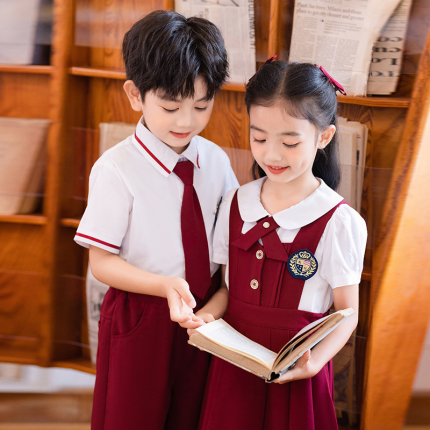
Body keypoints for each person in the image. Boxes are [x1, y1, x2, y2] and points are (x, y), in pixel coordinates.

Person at [74, 10, 238, 430]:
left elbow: (228, 243)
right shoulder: (116, 168)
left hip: (206, 313)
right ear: (135, 95)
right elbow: (102, 263)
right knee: (132, 417)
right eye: (170, 106)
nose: (187, 121)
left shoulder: (215, 161)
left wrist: (215, 306)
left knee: (196, 413)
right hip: (141, 314)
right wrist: (163, 286)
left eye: (202, 105)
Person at [182, 60, 367, 430]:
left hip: (297, 367)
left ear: (324, 137)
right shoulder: (237, 203)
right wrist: (207, 316)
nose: (272, 155)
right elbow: (227, 292)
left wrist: (314, 362)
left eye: (290, 141)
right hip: (234, 361)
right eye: (259, 138)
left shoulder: (338, 221)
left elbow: (348, 314)